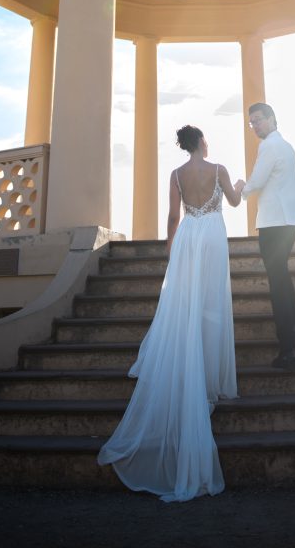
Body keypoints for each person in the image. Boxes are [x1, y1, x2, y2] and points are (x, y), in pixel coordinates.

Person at [98, 124, 242, 503]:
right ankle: (210, 373)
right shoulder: (219, 169)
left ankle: (194, 363)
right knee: (211, 303)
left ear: (184, 145)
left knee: (189, 302)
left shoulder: (177, 174)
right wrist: (242, 186)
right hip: (213, 237)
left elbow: (173, 216)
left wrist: (169, 247)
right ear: (203, 142)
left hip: (190, 237)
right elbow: (233, 202)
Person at [234, 103, 295, 371]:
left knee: (277, 283)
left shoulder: (269, 146)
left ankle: (287, 351)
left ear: (272, 119)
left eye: (259, 120)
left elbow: (258, 180)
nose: (255, 126)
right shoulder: (287, 145)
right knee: (281, 274)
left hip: (275, 222)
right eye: (252, 122)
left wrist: (240, 189)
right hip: (291, 220)